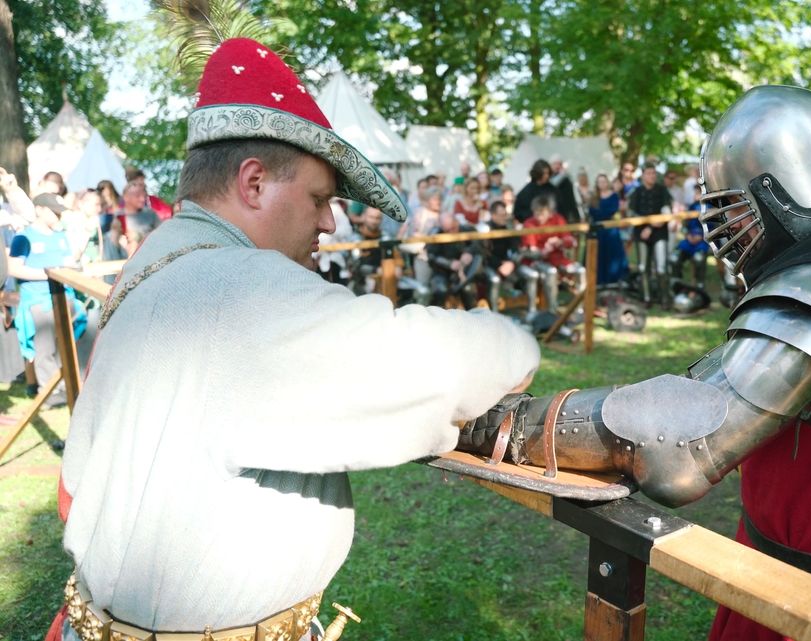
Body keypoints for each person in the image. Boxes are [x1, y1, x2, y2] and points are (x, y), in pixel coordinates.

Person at [454, 86, 811, 641]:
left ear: (783, 189)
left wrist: (500, 423)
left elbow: (674, 450)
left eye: (733, 209)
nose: (724, 231)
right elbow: (708, 390)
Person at [50, 37, 538, 641]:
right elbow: (438, 366)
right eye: (318, 197)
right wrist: (518, 344)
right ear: (253, 184)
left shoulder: (155, 261)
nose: (328, 220)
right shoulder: (239, 286)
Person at [2, 188, 88, 407]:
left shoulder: (61, 237)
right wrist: (48, 275)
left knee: (66, 345)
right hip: (38, 302)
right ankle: (49, 393)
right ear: (39, 210)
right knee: (44, 349)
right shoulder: (24, 237)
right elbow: (13, 268)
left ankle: (67, 386)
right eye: (54, 211)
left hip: (66, 298)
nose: (58, 216)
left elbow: (71, 262)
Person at [521, 195, 583, 313]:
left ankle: (578, 308)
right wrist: (545, 250)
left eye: (542, 213)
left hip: (557, 258)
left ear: (550, 212)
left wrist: (560, 242)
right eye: (536, 213)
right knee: (551, 272)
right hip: (537, 261)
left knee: (580, 270)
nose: (539, 217)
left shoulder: (558, 219)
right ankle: (552, 309)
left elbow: (570, 240)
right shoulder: (529, 224)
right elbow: (532, 251)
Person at [627, 163, 672, 305]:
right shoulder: (636, 192)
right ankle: (646, 298)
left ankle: (664, 298)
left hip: (659, 232)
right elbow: (631, 213)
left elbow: (666, 211)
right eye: (648, 173)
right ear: (643, 175)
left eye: (653, 173)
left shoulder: (663, 190)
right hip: (640, 233)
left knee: (661, 267)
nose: (652, 176)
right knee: (642, 267)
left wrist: (651, 227)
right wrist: (645, 227)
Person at [587, 173, 629, 286]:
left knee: (612, 255)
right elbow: (592, 212)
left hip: (610, 230)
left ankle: (613, 280)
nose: (602, 184)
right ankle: (598, 280)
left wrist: (601, 214)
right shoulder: (594, 197)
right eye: (600, 182)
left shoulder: (613, 196)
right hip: (598, 231)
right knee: (598, 256)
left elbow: (611, 210)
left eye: (604, 181)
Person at [513, 159, 558, 224]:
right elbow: (519, 212)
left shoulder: (553, 189)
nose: (546, 176)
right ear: (538, 173)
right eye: (544, 173)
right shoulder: (526, 192)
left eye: (547, 173)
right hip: (534, 226)